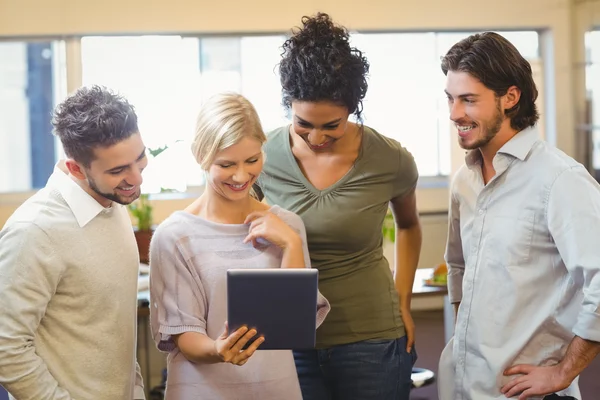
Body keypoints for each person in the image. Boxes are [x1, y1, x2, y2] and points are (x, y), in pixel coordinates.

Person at [256, 12, 422, 399]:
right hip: (290, 336)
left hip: (372, 336)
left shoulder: (391, 159)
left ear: (353, 107)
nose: (316, 137)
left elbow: (410, 226)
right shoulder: (260, 156)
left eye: (332, 125)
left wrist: (403, 301)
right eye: (303, 123)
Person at [438, 32, 600, 400]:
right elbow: (458, 267)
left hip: (530, 393)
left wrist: (564, 371)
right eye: (450, 99)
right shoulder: (465, 180)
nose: (454, 114)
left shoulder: (560, 179)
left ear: (510, 98)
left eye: (468, 100)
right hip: (466, 384)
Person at [148, 92, 330, 400]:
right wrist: (218, 350)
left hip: (276, 388)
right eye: (226, 164)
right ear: (199, 156)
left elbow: (294, 324)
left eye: (252, 160)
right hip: (202, 390)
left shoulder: (288, 226)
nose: (241, 175)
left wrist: (291, 244)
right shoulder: (175, 236)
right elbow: (182, 333)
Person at [0, 85, 147, 399]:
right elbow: (6, 348)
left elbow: (113, 325)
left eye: (139, 158)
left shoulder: (112, 203)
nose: (136, 178)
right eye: (119, 169)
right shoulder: (34, 231)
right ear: (75, 168)